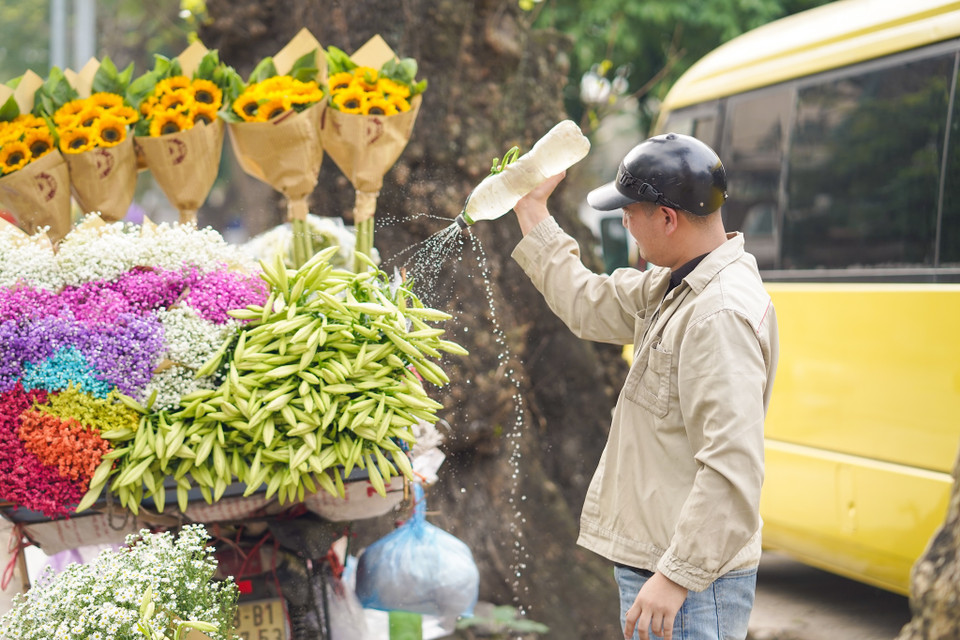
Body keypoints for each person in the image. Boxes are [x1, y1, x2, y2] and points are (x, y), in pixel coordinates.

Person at [510, 132, 779, 640]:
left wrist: (676, 577)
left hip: (691, 585)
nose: (626, 224)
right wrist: (531, 208)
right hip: (662, 566)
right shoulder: (677, 283)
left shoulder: (717, 315)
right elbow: (587, 301)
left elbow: (733, 466)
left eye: (629, 212)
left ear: (666, 217)